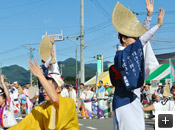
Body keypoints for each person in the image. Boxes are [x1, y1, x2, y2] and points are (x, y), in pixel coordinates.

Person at [109, 0, 165, 130]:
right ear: (124, 39)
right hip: (123, 103)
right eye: (133, 38)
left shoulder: (130, 51)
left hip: (134, 100)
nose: (137, 40)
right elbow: (141, 40)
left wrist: (149, 15)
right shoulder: (121, 56)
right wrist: (157, 25)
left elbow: (140, 39)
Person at [9, 58, 79, 130]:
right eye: (43, 88)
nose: (44, 91)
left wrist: (40, 76)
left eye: (47, 88)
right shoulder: (41, 108)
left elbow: (55, 100)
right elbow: (23, 126)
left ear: (58, 89)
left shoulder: (68, 102)